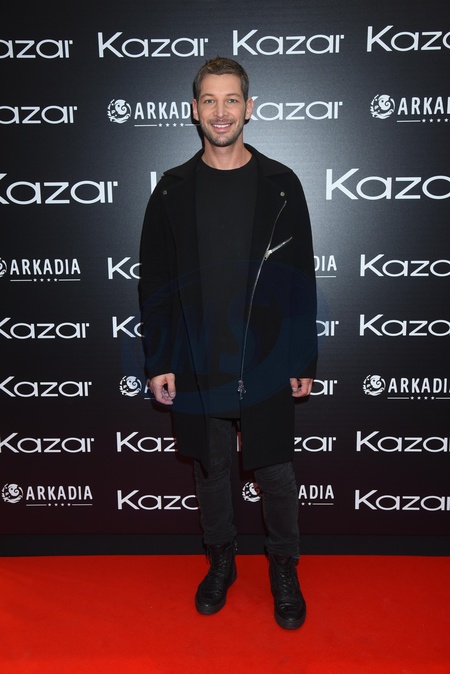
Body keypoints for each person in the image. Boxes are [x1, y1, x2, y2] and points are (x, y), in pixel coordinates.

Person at [139, 57, 317, 630]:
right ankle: (221, 561)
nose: (221, 112)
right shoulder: (172, 189)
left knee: (276, 472)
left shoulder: (281, 184)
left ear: (249, 107)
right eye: (210, 100)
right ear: (194, 110)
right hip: (197, 357)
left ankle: (284, 567)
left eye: (231, 99)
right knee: (212, 470)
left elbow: (301, 278)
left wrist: (302, 355)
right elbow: (155, 282)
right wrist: (160, 359)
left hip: (265, 357)